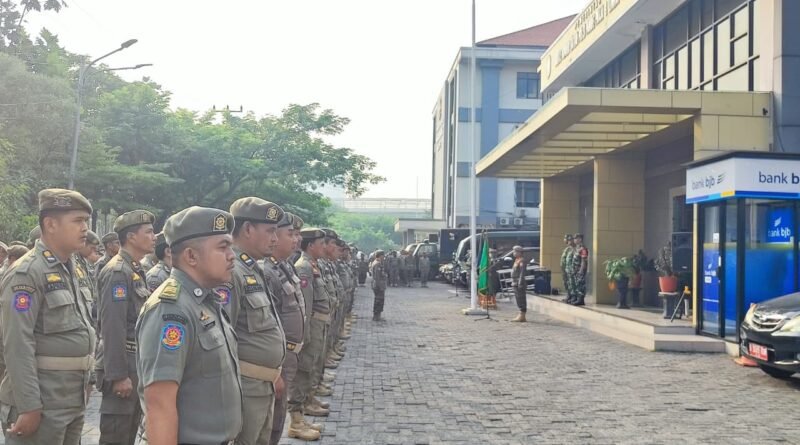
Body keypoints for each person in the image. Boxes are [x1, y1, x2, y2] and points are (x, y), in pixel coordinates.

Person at [135, 206, 242, 444]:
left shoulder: (204, 301)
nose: (232, 255)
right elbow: (159, 406)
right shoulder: (171, 310)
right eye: (223, 247)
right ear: (191, 256)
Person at [0, 188, 96, 445]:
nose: (85, 228)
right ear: (51, 224)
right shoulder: (27, 272)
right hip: (43, 402)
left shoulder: (72, 269)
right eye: (78, 221)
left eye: (86, 221)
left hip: (71, 399)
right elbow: (17, 344)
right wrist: (29, 405)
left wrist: (90, 379)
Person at [217, 197, 286, 445]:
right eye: (270, 231)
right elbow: (223, 340)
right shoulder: (232, 272)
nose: (275, 239)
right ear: (247, 229)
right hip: (244, 389)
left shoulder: (252, 269)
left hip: (261, 386)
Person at [96, 210, 156, 445]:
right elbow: (112, 326)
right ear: (131, 237)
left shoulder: (134, 269)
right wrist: (119, 375)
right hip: (123, 365)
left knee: (128, 433)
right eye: (148, 232)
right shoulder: (118, 272)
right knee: (117, 435)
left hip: (135, 362)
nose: (154, 237)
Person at [263, 213, 320, 443]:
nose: (297, 240)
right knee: (271, 415)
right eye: (291, 234)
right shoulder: (267, 271)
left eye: (297, 235)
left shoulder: (285, 267)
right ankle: (295, 422)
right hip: (279, 354)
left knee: (277, 414)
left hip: (290, 350)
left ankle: (297, 418)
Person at [291, 228, 332, 421]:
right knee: (305, 367)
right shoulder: (304, 267)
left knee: (313, 363)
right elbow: (306, 304)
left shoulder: (312, 265)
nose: (324, 247)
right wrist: (305, 333)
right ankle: (298, 411)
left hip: (319, 322)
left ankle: (308, 398)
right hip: (312, 323)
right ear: (310, 246)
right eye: (321, 243)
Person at [510, 245, 527, 322]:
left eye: (515, 251)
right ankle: (521, 315)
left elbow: (522, 273)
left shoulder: (522, 260)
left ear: (520, 252)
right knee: (518, 298)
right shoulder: (517, 260)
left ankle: (522, 315)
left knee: (521, 298)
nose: (514, 253)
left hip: (519, 282)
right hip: (515, 282)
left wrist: (520, 283)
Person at [571, 234, 589, 306]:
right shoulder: (577, 248)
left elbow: (583, 260)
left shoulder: (583, 249)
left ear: (580, 239)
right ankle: (577, 298)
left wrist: (581, 270)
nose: (574, 240)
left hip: (580, 270)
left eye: (576, 238)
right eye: (574, 238)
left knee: (580, 284)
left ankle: (581, 300)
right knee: (577, 284)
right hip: (576, 270)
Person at [370, 250, 388, 321]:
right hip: (378, 285)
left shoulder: (378, 263)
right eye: (383, 255)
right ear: (380, 256)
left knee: (380, 300)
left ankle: (378, 315)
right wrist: (380, 286)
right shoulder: (377, 264)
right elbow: (377, 277)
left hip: (379, 284)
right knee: (378, 301)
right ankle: (376, 316)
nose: (384, 257)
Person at [560, 234, 575, 303]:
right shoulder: (567, 249)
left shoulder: (574, 249)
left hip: (571, 270)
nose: (568, 241)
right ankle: (568, 295)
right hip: (565, 269)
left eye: (569, 240)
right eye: (567, 240)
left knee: (571, 284)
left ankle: (573, 296)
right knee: (566, 283)